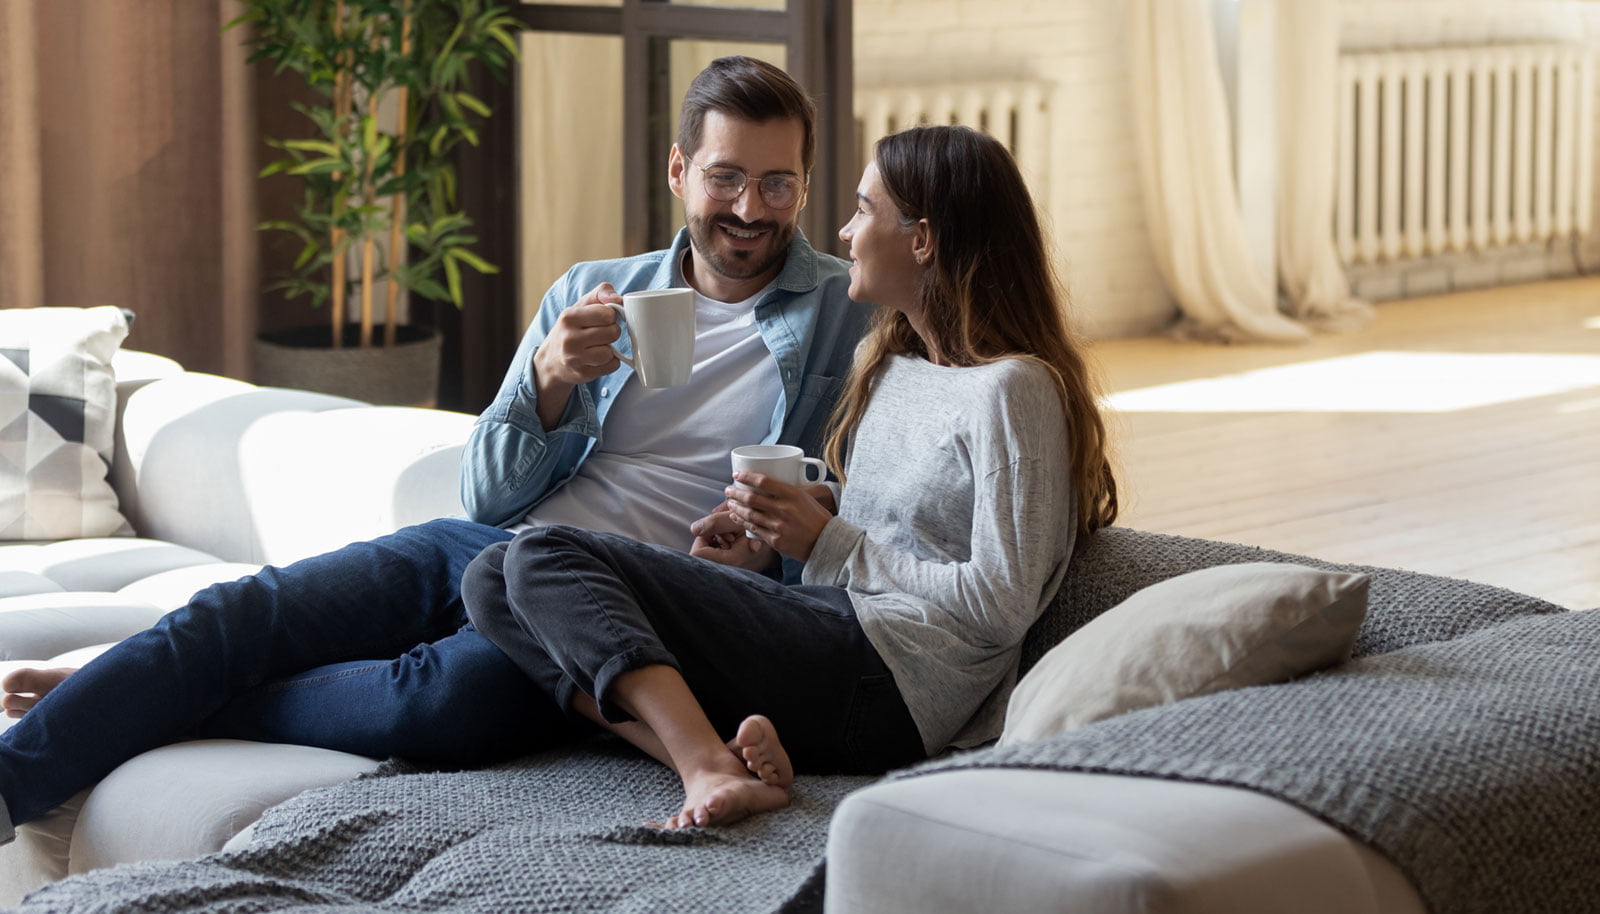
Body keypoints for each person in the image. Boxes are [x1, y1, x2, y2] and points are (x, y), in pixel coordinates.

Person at [0, 55, 872, 841]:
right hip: (493, 549)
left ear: (805, 186)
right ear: (680, 171)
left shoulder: (852, 314)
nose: (749, 210)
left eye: (778, 184)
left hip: (618, 610)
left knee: (443, 700)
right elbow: (485, 496)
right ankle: (39, 764)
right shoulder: (594, 291)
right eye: (726, 178)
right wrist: (548, 377)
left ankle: (141, 698)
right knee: (246, 614)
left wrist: (774, 550)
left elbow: (864, 512)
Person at [459, 124, 1120, 829]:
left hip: (898, 682)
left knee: (544, 553)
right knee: (491, 578)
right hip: (833, 636)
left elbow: (1001, 604)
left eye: (863, 210)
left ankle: (704, 766)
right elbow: (911, 517)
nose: (844, 232)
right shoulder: (892, 365)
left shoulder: (1013, 390)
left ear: (923, 239)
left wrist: (826, 541)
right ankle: (711, 758)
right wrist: (795, 517)